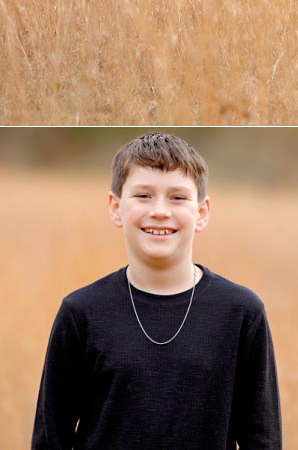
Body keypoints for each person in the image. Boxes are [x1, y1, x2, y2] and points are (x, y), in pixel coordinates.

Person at [31, 132, 282, 450]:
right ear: (115, 207)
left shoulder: (241, 312)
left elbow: (263, 438)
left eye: (177, 197)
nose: (161, 211)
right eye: (143, 196)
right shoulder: (81, 312)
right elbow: (50, 436)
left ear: (202, 213)